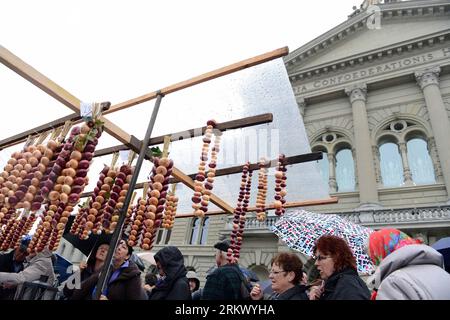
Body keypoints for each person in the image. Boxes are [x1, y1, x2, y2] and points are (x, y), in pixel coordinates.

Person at [368, 228, 450, 300]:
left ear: (379, 252)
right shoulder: (441, 272)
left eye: (372, 253)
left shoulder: (394, 282)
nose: (372, 260)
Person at [71, 239, 145, 300]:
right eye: (117, 245)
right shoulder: (105, 267)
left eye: (123, 247)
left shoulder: (133, 274)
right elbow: (76, 293)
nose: (118, 248)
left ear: (127, 256)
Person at [309, 235, 370, 300]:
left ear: (337, 258)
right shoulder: (337, 284)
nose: (316, 263)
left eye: (321, 258)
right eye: (316, 258)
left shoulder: (347, 285)